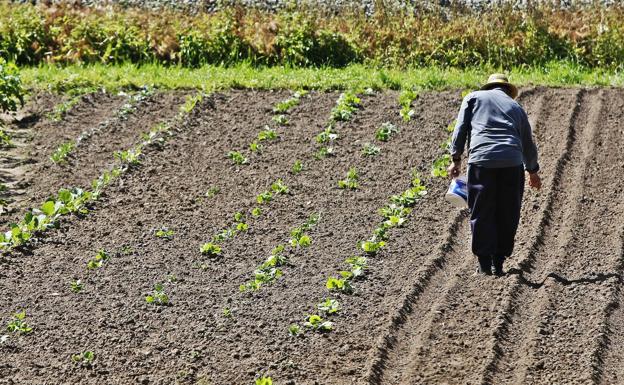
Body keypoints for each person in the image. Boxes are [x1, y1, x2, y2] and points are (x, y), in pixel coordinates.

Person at [447, 73, 542, 276]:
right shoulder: (516, 107)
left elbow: (460, 129)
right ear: (508, 90)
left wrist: (456, 159)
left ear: (488, 87)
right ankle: (498, 264)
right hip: (511, 162)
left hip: (481, 161)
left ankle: (483, 265)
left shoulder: (473, 98)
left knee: (482, 210)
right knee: (507, 211)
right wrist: (532, 171)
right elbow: (527, 142)